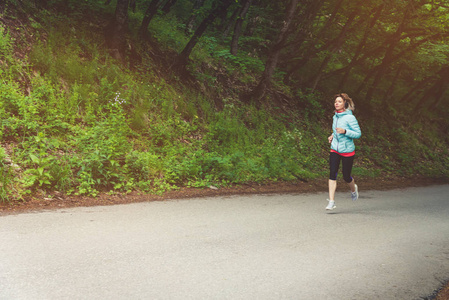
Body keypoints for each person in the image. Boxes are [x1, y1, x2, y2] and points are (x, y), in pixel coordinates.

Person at [326, 93, 361, 210]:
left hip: (347, 150)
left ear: (345, 104)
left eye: (339, 101)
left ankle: (353, 189)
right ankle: (331, 202)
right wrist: (332, 135)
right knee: (332, 174)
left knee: (346, 176)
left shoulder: (350, 118)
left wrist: (345, 131)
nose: (336, 103)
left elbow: (358, 134)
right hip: (335, 149)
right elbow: (335, 131)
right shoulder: (335, 116)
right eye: (335, 101)